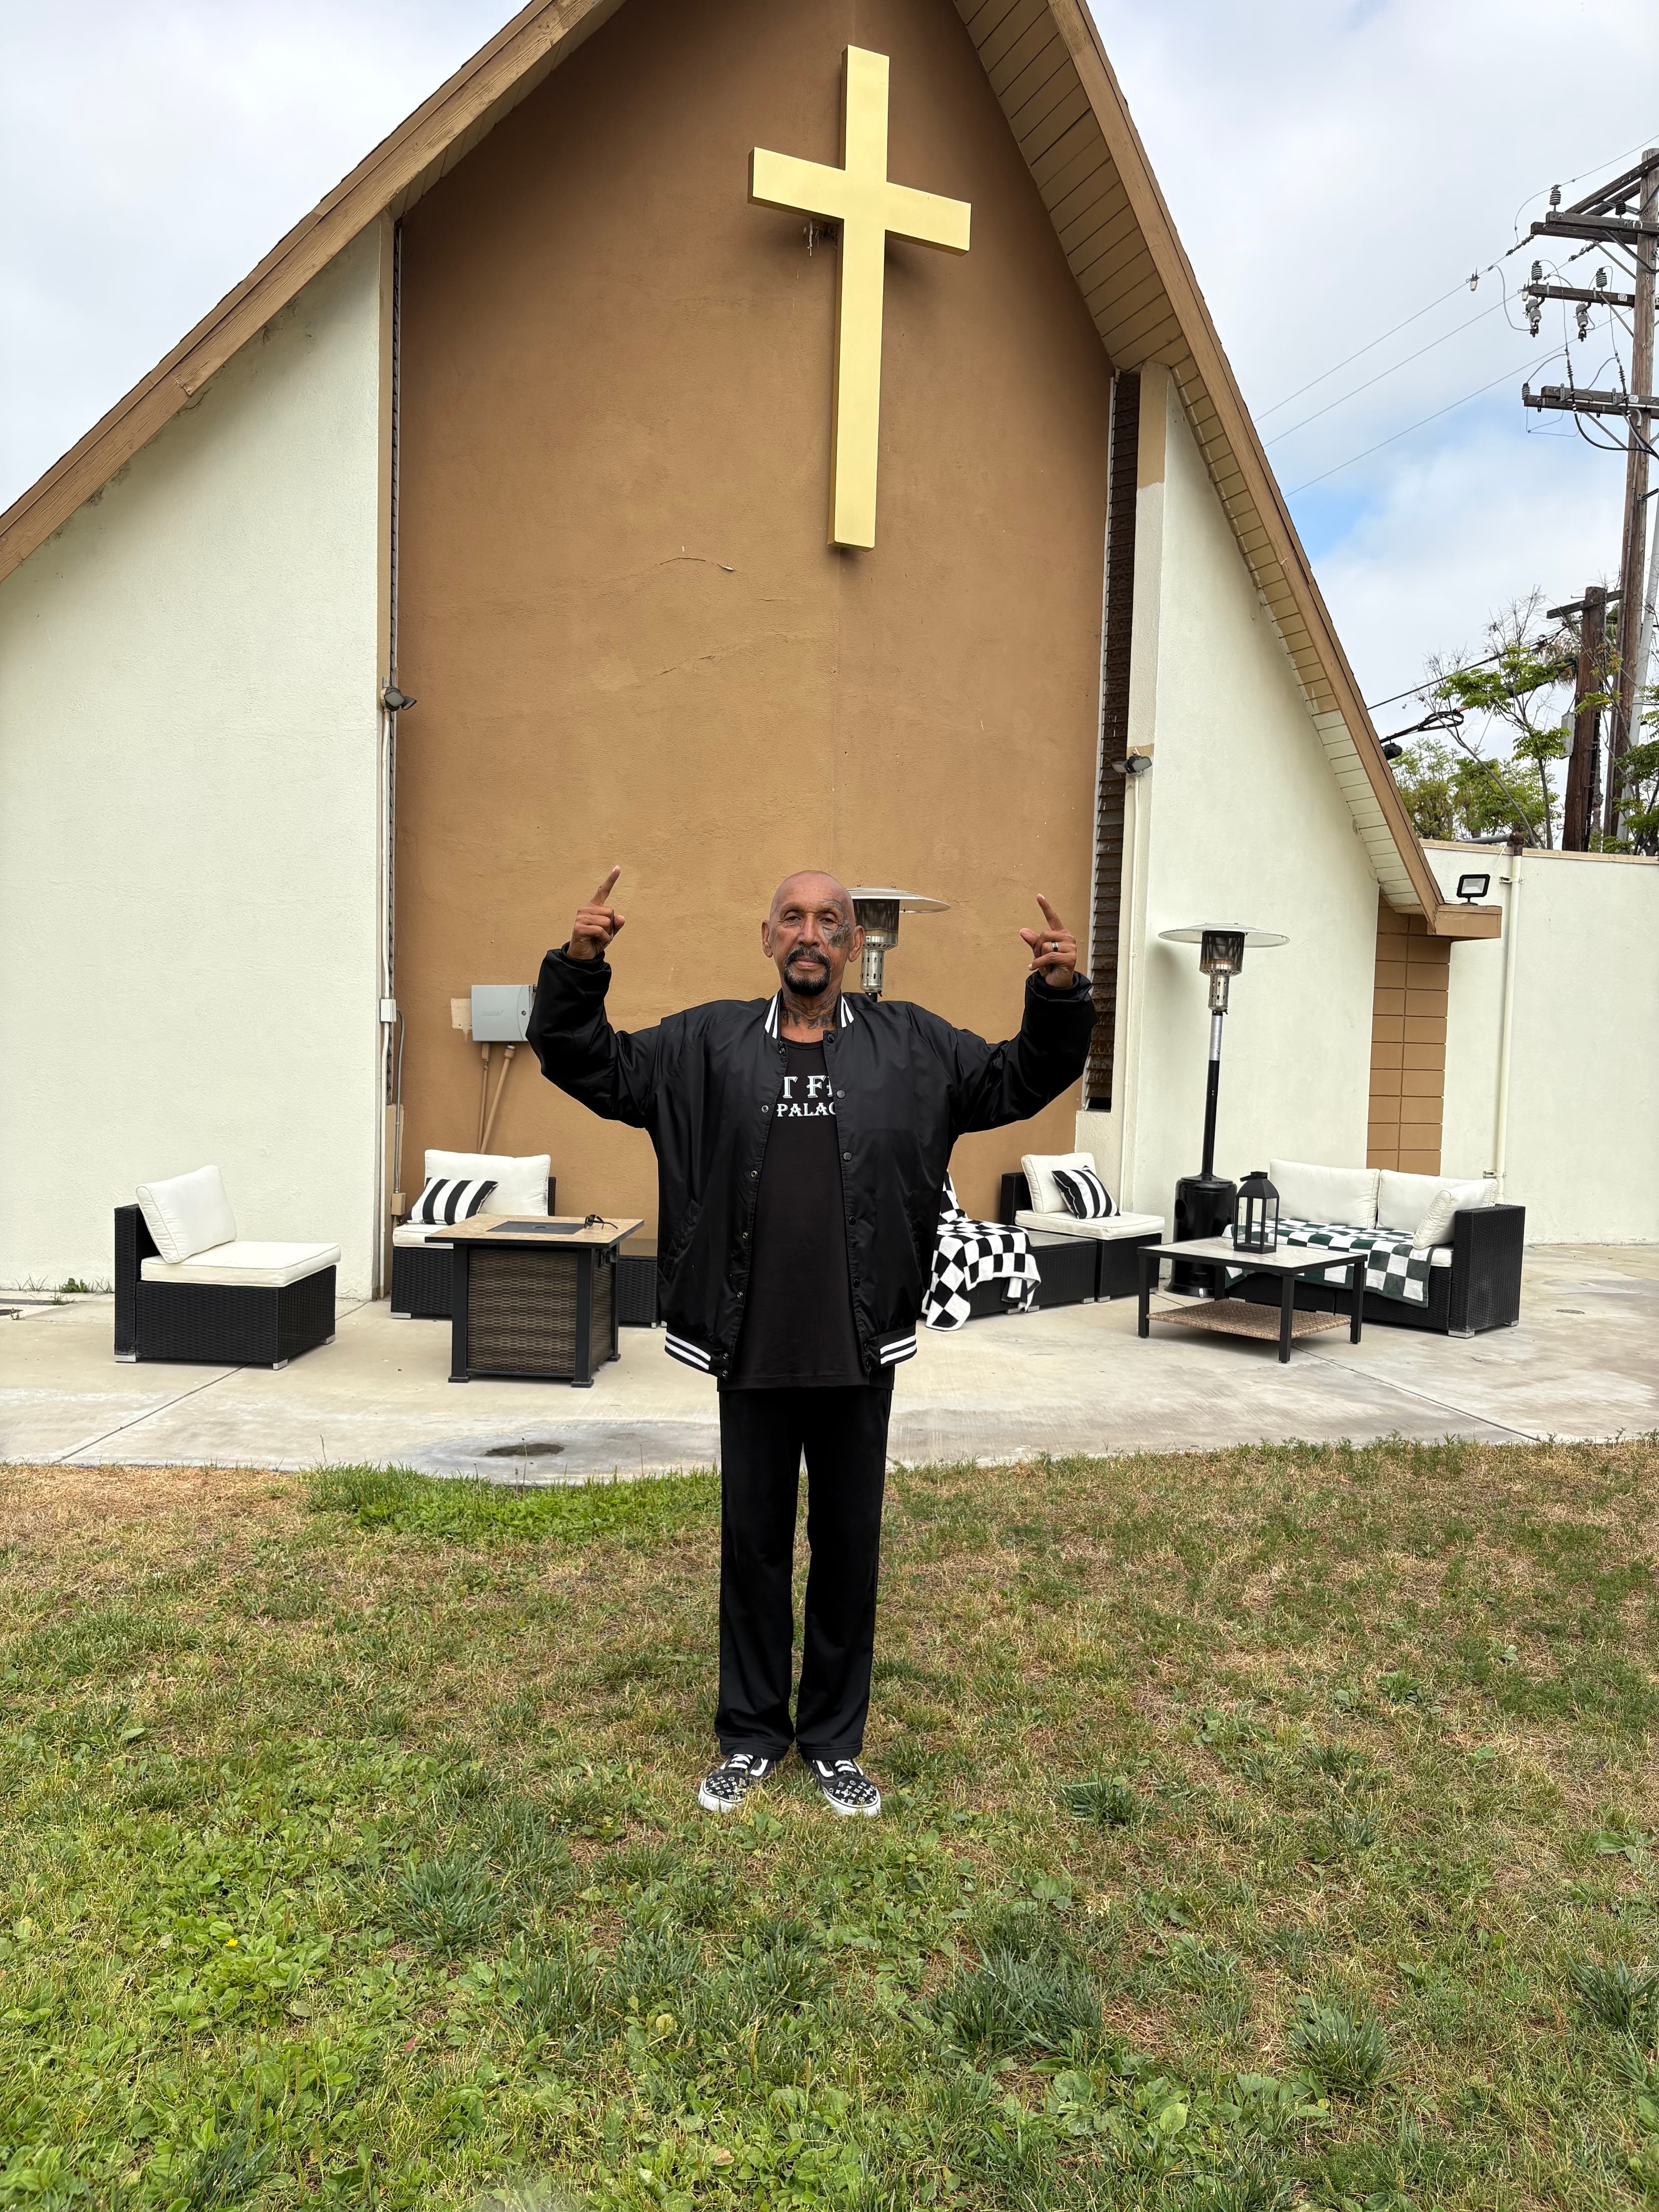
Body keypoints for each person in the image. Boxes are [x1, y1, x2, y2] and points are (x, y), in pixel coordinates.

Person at [528, 867, 1093, 1818]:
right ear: (766, 938)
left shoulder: (911, 1045)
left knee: (847, 1548)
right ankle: (750, 1733)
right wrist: (579, 967)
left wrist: (1058, 998)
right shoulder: (703, 1044)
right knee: (752, 1548)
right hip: (746, 1343)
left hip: (859, 1346)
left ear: (849, 946)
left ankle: (833, 1741)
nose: (811, 934)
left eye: (830, 921)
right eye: (794, 917)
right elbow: (589, 1063)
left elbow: (1018, 1079)